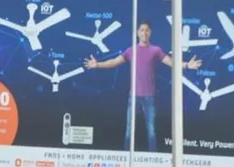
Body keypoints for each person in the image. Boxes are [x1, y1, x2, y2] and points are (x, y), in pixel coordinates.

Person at [84, 20, 202, 152]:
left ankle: (153, 158)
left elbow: (171, 62)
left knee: (151, 131)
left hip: (149, 97)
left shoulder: (155, 50)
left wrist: (187, 65)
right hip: (133, 97)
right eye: (142, 30)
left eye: (147, 30)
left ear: (150, 33)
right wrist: (98, 64)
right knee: (129, 130)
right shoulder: (130, 51)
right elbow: (114, 62)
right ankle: (126, 158)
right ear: (137, 33)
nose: (144, 33)